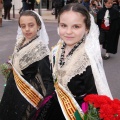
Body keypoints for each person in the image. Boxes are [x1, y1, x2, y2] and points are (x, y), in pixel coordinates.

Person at [33, 3, 113, 120]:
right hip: (54, 105)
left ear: (86, 28)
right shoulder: (56, 49)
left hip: (75, 112)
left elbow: (93, 97)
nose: (68, 31)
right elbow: (52, 79)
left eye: (76, 26)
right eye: (64, 25)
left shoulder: (87, 59)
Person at [0, 10, 54, 120]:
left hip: (25, 98)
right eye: (23, 26)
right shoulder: (20, 41)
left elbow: (47, 79)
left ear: (38, 26)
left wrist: (45, 105)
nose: (27, 29)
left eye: (31, 25)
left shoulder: (41, 49)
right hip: (12, 91)